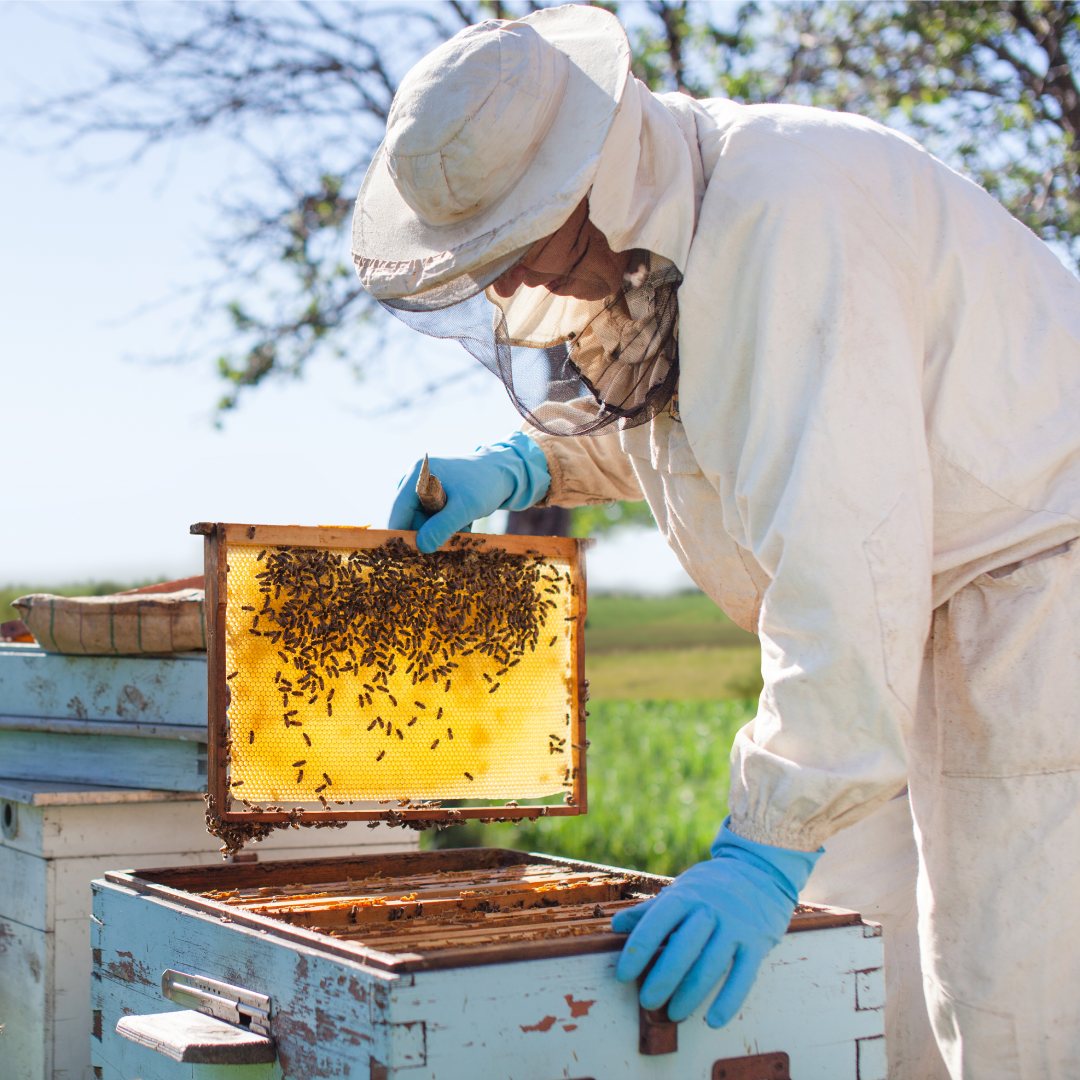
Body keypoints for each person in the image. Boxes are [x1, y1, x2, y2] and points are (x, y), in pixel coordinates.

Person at [351, 6, 1080, 1078]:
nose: (506, 289)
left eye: (514, 249)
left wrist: (760, 848)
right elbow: (696, 431)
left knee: (1011, 998)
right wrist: (528, 465)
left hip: (1030, 597)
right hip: (906, 616)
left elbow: (845, 537)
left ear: (588, 184)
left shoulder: (786, 212)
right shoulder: (666, 239)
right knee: (858, 966)